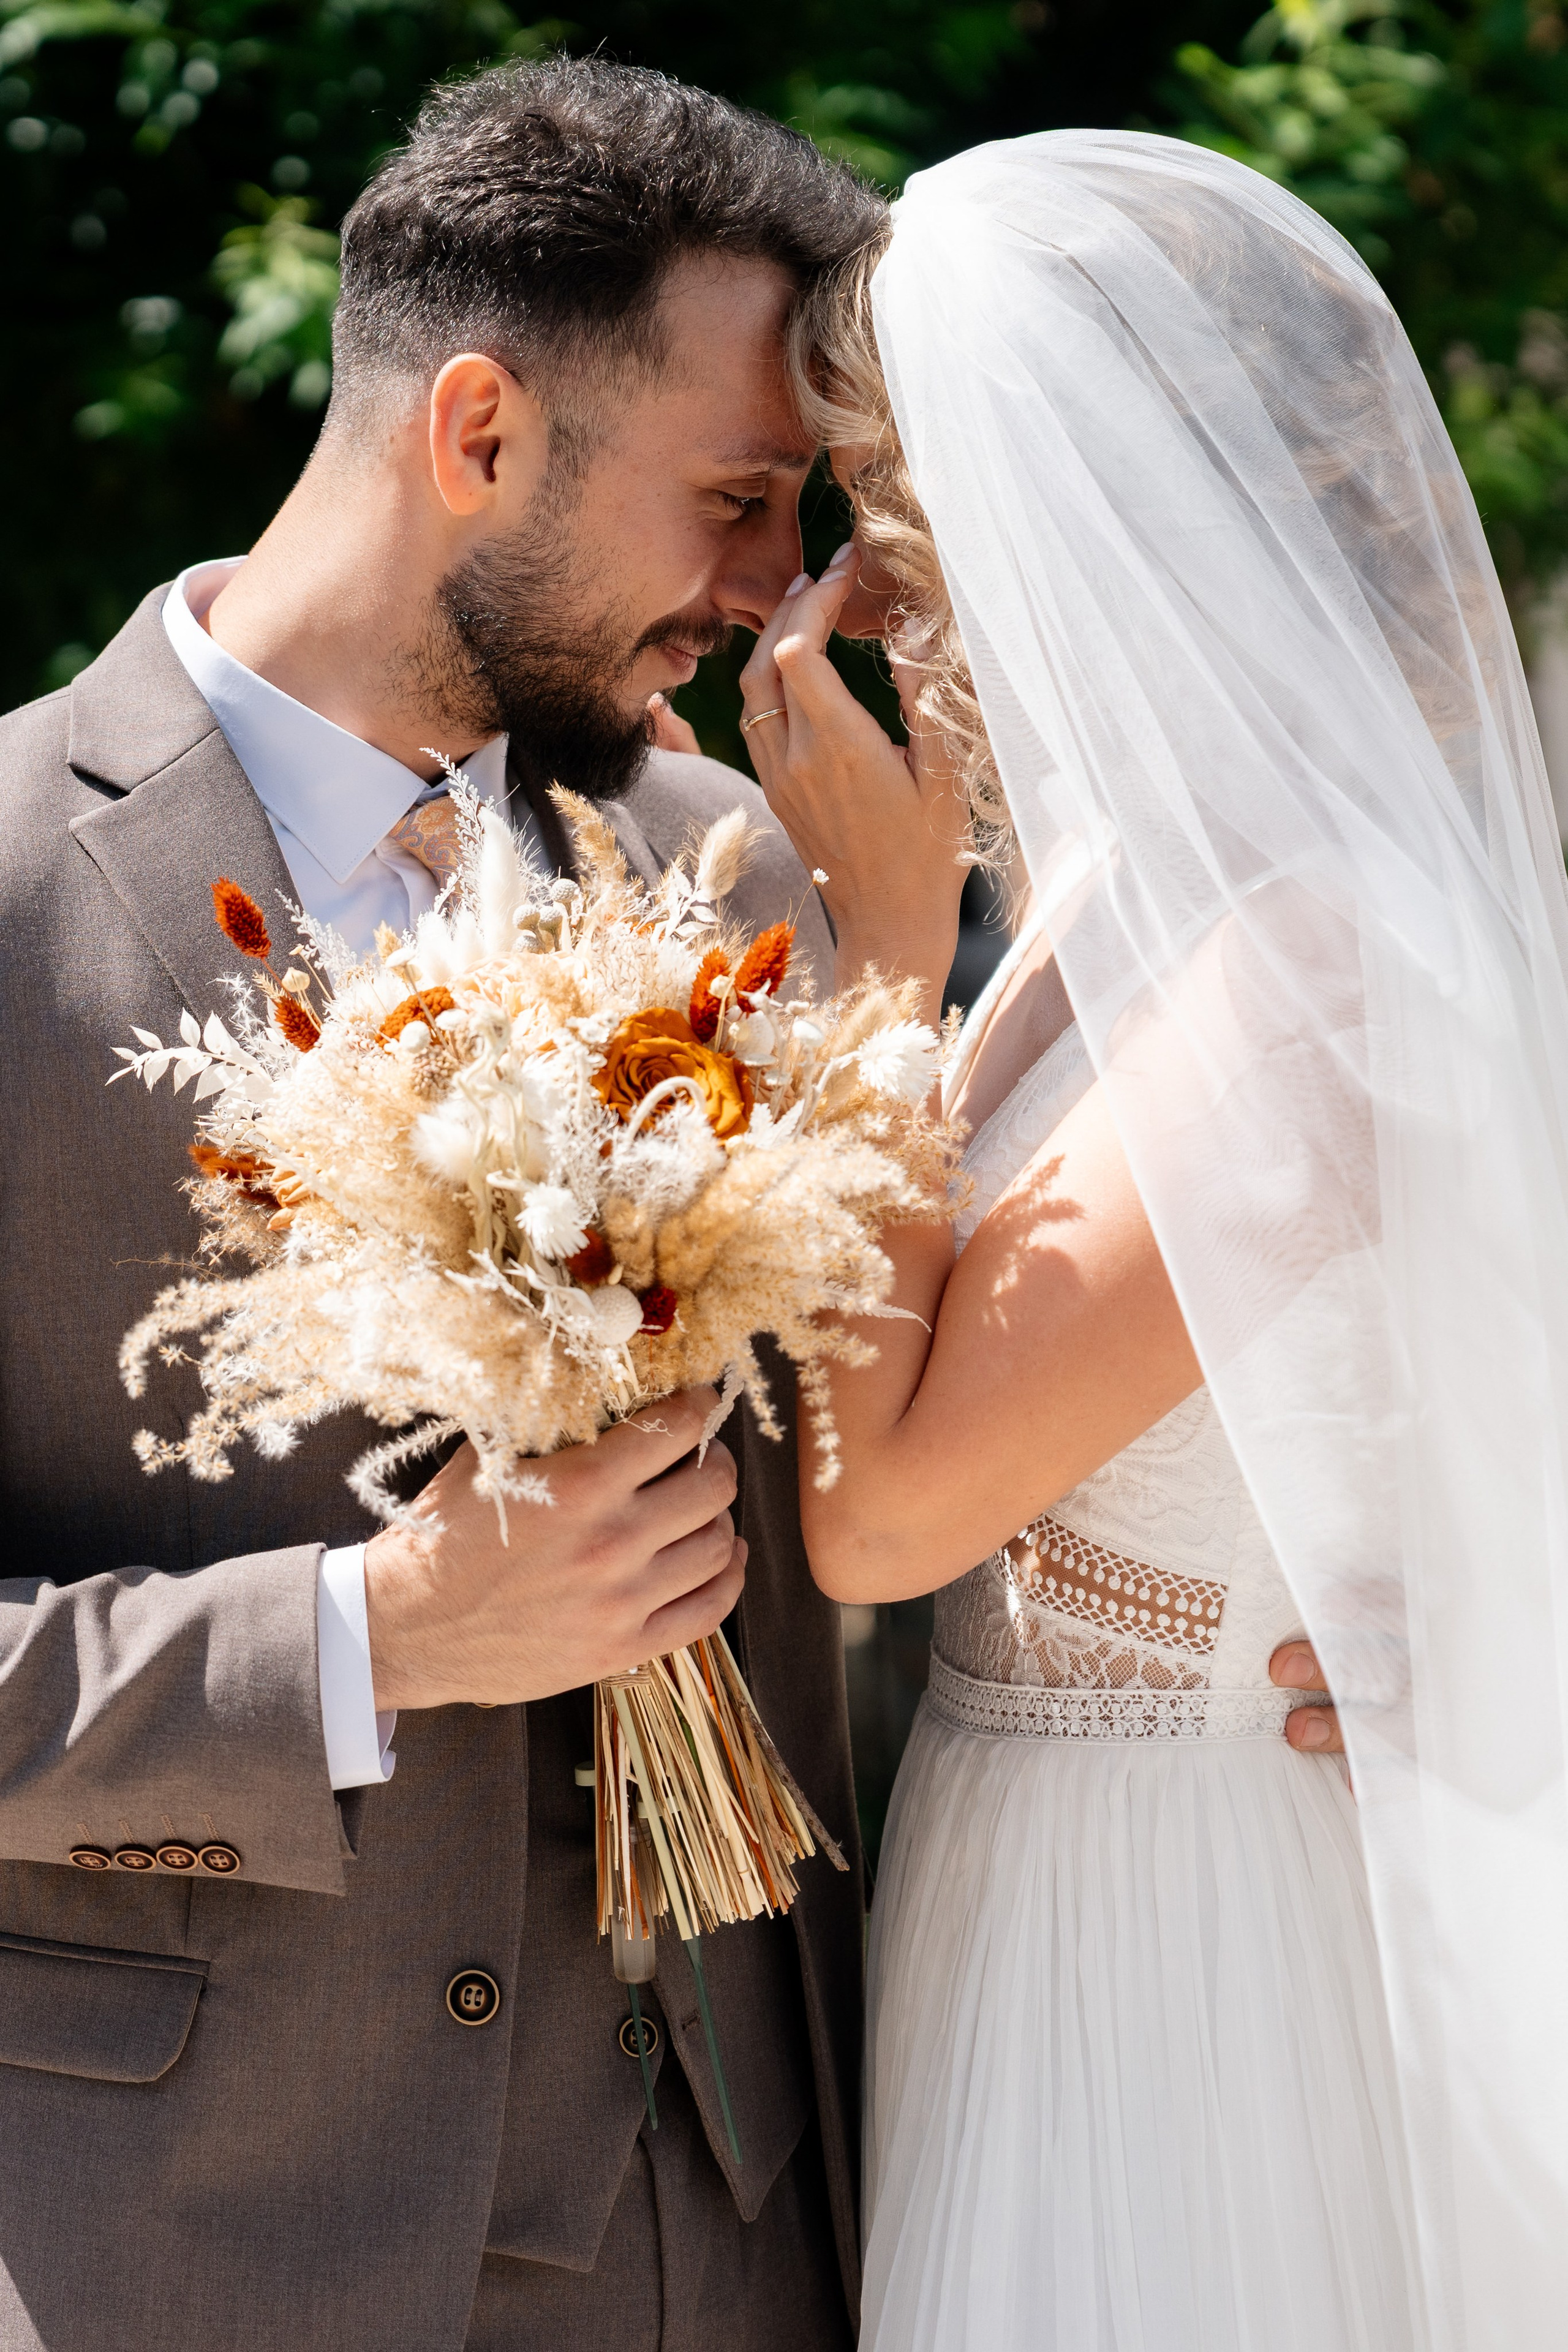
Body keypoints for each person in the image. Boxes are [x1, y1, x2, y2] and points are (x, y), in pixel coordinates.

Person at [0, 59, 884, 2352]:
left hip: (751, 2216)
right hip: (205, 2241)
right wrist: (373, 1640)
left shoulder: (728, 877)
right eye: (741, 498)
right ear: (478, 431)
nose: (780, 592)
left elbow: (889, 1486)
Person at [738, 132, 1568, 2350]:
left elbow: (892, 1514)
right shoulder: (1123, 891)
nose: (862, 599)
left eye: (882, 507)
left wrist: (884, 973)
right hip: (1018, 1872)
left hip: (1182, 1920)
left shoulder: (1304, 960)